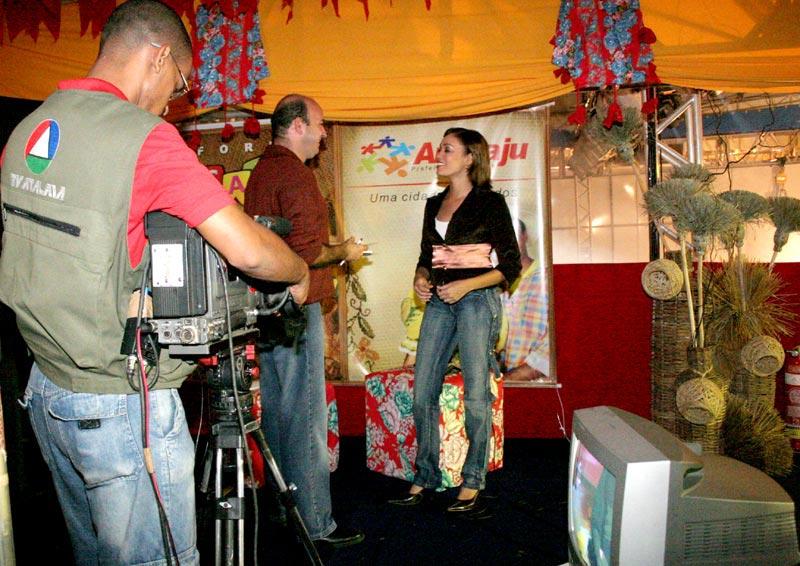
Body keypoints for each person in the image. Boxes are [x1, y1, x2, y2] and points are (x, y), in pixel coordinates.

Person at [0, 2, 309, 565]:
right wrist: (300, 270)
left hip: (46, 388)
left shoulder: (30, 129)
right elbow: (247, 249)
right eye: (180, 82)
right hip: (120, 403)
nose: (173, 100)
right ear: (159, 56)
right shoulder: (144, 139)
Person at [243, 94, 366, 548]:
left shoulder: (261, 171)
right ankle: (315, 523)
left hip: (266, 307)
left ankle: (285, 512)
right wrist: (345, 251)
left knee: (278, 412)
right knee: (307, 416)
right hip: (296, 308)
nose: (323, 133)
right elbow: (308, 253)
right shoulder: (296, 174)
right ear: (297, 126)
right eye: (318, 124)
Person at [389, 127, 521, 511]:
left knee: (476, 392)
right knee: (422, 391)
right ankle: (426, 474)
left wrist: (467, 286)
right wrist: (420, 278)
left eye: (448, 149)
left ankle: (474, 478)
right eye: (440, 148)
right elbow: (426, 257)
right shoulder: (434, 203)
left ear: (469, 158)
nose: (439, 154)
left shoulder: (490, 202)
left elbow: (510, 265)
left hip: (477, 301)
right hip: (439, 302)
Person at [501, 219, 550, 381]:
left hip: (537, 385)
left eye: (513, 234)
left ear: (524, 236)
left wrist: (512, 378)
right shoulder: (496, 285)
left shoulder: (547, 279)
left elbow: (554, 344)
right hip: (506, 382)